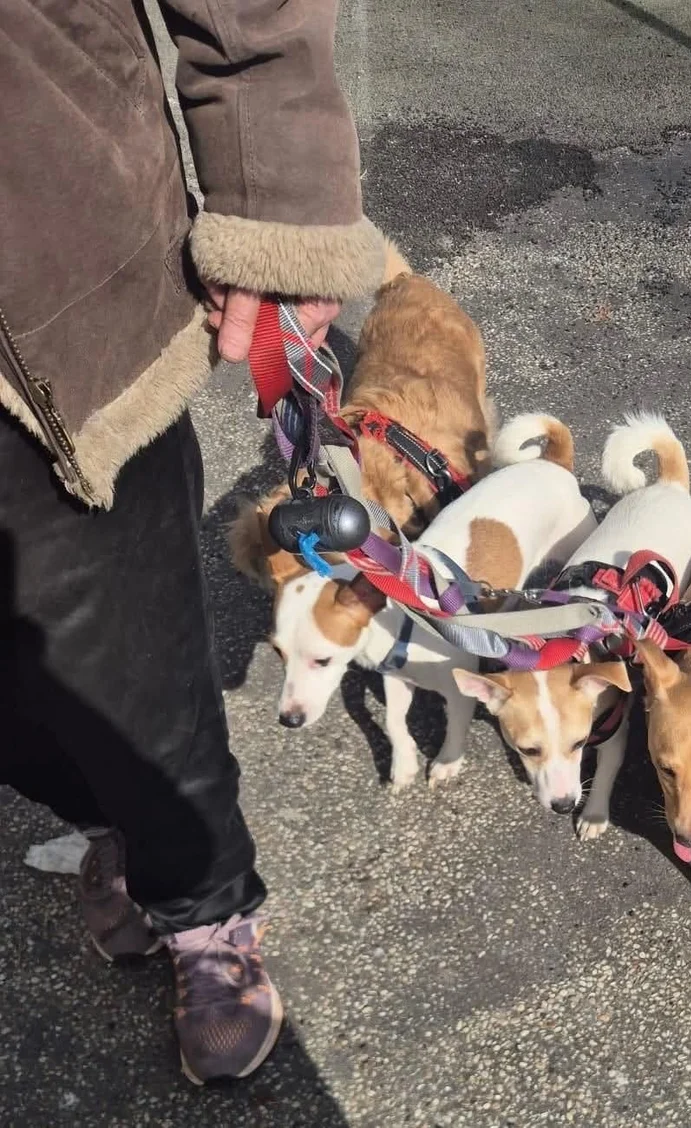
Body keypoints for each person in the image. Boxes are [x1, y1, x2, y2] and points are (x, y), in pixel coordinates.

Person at [0, 0, 383, 1084]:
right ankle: (106, 819)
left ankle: (203, 902)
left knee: (129, 651)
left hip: (52, 286)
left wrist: (282, 197)